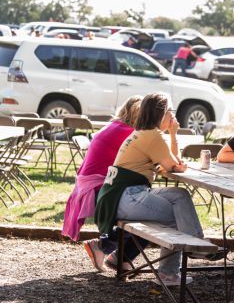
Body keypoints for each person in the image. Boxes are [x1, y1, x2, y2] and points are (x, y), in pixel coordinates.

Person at [94, 92, 204, 286]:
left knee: (180, 196)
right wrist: (173, 133)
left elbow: (168, 165)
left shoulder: (144, 133)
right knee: (177, 215)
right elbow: (173, 165)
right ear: (159, 114)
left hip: (119, 197)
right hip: (127, 197)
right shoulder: (153, 136)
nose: (172, 117)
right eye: (170, 111)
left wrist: (171, 152)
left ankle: (196, 243)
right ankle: (171, 272)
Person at [61, 96, 143, 271]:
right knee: (150, 214)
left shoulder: (116, 126)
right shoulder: (127, 132)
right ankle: (111, 251)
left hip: (93, 185)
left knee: (148, 209)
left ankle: (118, 256)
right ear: (138, 115)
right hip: (97, 188)